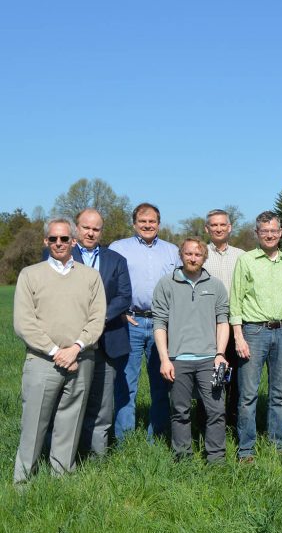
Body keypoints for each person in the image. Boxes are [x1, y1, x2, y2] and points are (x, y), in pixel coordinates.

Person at [13, 218, 105, 484]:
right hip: (42, 361)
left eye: (64, 239)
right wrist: (56, 351)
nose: (59, 243)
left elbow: (97, 318)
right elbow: (23, 322)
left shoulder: (90, 276)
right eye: (53, 239)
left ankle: (61, 479)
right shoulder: (30, 274)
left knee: (70, 422)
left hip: (81, 359)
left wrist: (76, 348)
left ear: (73, 242)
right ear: (45, 241)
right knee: (33, 425)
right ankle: (22, 483)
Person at [230, 211, 282, 462]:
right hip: (254, 331)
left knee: (280, 394)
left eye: (274, 230)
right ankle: (246, 449)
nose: (270, 235)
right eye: (265, 231)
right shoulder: (247, 261)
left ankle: (277, 445)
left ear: (280, 232)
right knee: (248, 394)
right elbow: (236, 301)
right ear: (257, 233)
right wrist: (238, 336)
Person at [152, 238, 229, 463]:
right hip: (178, 359)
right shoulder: (166, 284)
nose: (192, 258)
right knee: (180, 411)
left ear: (204, 257)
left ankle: (216, 458)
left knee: (216, 410)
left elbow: (222, 321)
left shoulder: (215, 286)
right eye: (188, 254)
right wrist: (165, 359)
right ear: (181, 255)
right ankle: (182, 457)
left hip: (209, 360)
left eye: (197, 254)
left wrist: (220, 354)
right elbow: (159, 324)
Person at [63, 208, 132, 458]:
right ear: (76, 228)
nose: (91, 233)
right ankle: (67, 454)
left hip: (107, 339)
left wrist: (98, 317)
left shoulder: (116, 260)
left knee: (103, 404)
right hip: (69, 340)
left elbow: (124, 296)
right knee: (70, 399)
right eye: (86, 227)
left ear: (102, 231)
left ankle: (96, 457)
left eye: (96, 229)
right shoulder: (61, 255)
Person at [110, 202, 180, 441]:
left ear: (159, 224)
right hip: (130, 322)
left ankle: (158, 436)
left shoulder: (172, 251)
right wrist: (119, 312)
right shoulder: (118, 248)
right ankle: (124, 439)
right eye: (143, 221)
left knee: (162, 382)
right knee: (126, 383)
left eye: (152, 221)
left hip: (162, 324)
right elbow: (109, 283)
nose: (148, 225)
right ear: (134, 224)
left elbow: (180, 287)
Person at [203, 208, 245, 425]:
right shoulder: (200, 255)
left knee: (236, 377)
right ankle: (208, 419)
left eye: (222, 225)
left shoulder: (242, 256)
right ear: (207, 228)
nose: (218, 228)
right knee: (210, 375)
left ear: (229, 227)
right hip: (208, 325)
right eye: (214, 225)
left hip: (236, 324)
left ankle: (233, 420)